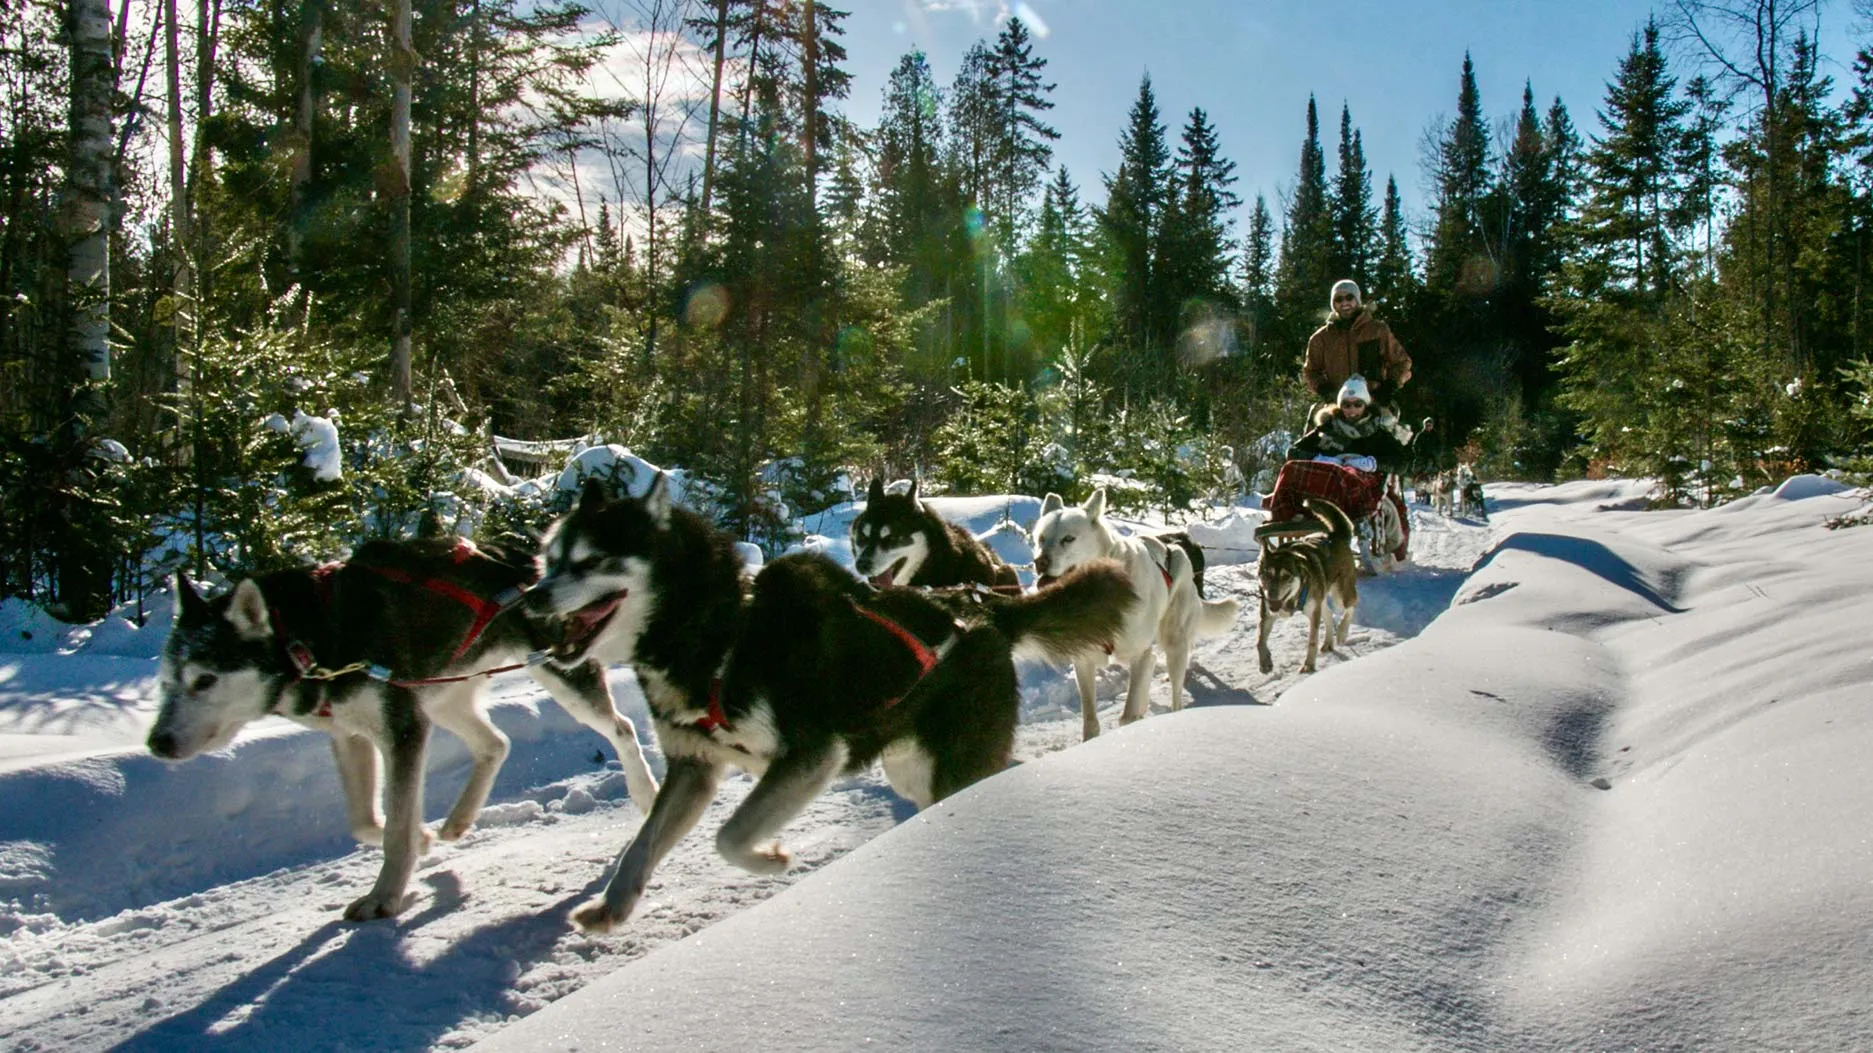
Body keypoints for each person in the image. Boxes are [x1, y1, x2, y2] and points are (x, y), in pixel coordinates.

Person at [1303, 279, 1412, 406]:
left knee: (1390, 425)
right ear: (1333, 304)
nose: (1344, 303)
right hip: (1339, 406)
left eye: (1349, 298)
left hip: (1373, 402)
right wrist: (1325, 390)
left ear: (1357, 300)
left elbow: (1402, 362)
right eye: (1338, 300)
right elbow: (1310, 371)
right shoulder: (1322, 338)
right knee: (1317, 424)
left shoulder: (1377, 330)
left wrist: (1389, 386)